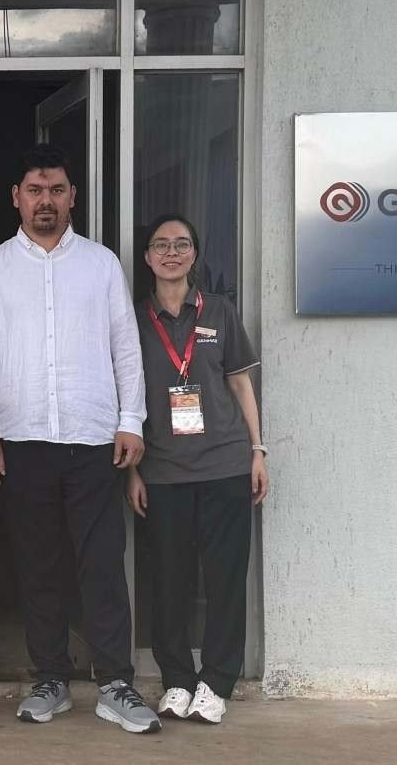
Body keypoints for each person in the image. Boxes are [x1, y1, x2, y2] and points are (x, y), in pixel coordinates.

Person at [0, 144, 161, 734]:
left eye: (56, 190)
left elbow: (126, 347)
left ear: (73, 197)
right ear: (16, 198)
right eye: (34, 190)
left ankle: (116, 682)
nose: (45, 201)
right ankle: (49, 677)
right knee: (39, 563)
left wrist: (131, 421)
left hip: (92, 439)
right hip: (21, 441)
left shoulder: (101, 265)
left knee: (102, 564)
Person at [126, 213, 269, 725]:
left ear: (194, 254)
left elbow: (239, 384)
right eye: (160, 245)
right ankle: (177, 680)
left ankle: (216, 681)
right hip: (163, 471)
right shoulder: (133, 321)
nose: (171, 252)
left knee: (226, 577)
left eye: (181, 244)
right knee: (169, 580)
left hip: (226, 465)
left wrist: (258, 450)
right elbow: (127, 400)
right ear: (146, 257)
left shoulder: (221, 313)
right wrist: (132, 471)